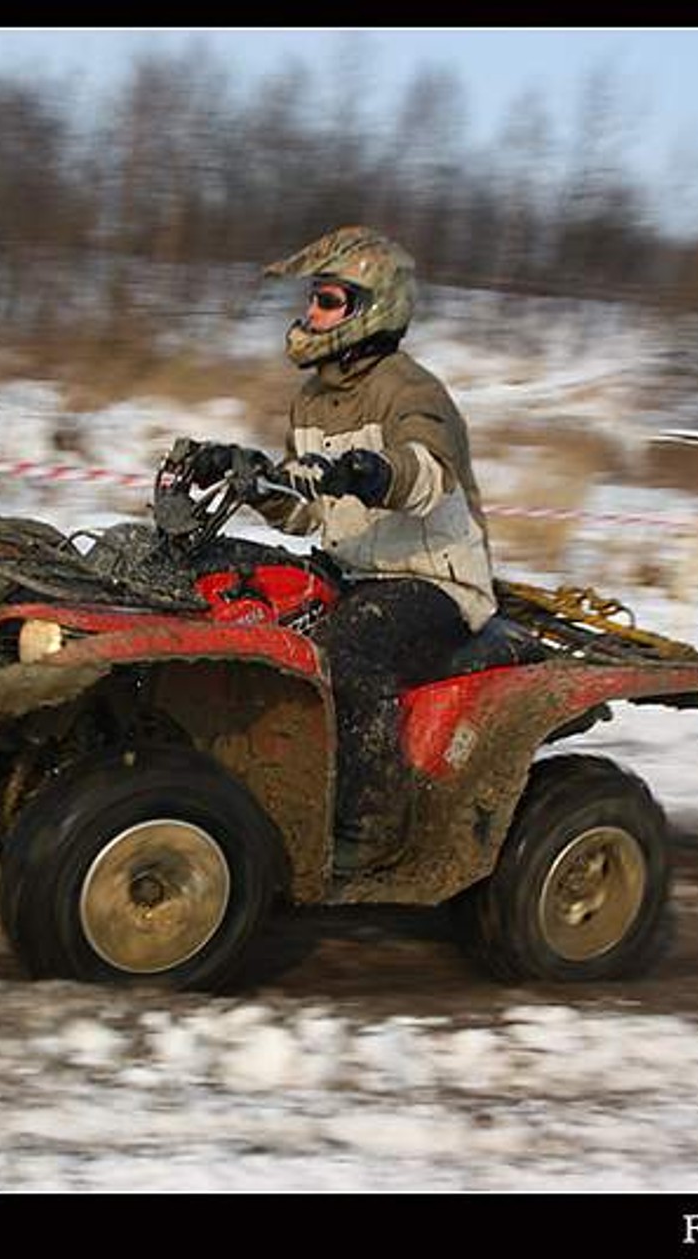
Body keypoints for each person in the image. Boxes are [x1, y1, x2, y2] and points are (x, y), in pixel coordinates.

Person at [190, 226, 498, 877]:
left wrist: (378, 473)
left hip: (432, 581)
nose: (310, 315)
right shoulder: (312, 400)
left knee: (343, 656)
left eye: (327, 300)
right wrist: (252, 478)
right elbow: (310, 508)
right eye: (312, 301)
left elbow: (430, 473)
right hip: (353, 568)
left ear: (370, 307)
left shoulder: (411, 390)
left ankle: (372, 824)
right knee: (241, 605)